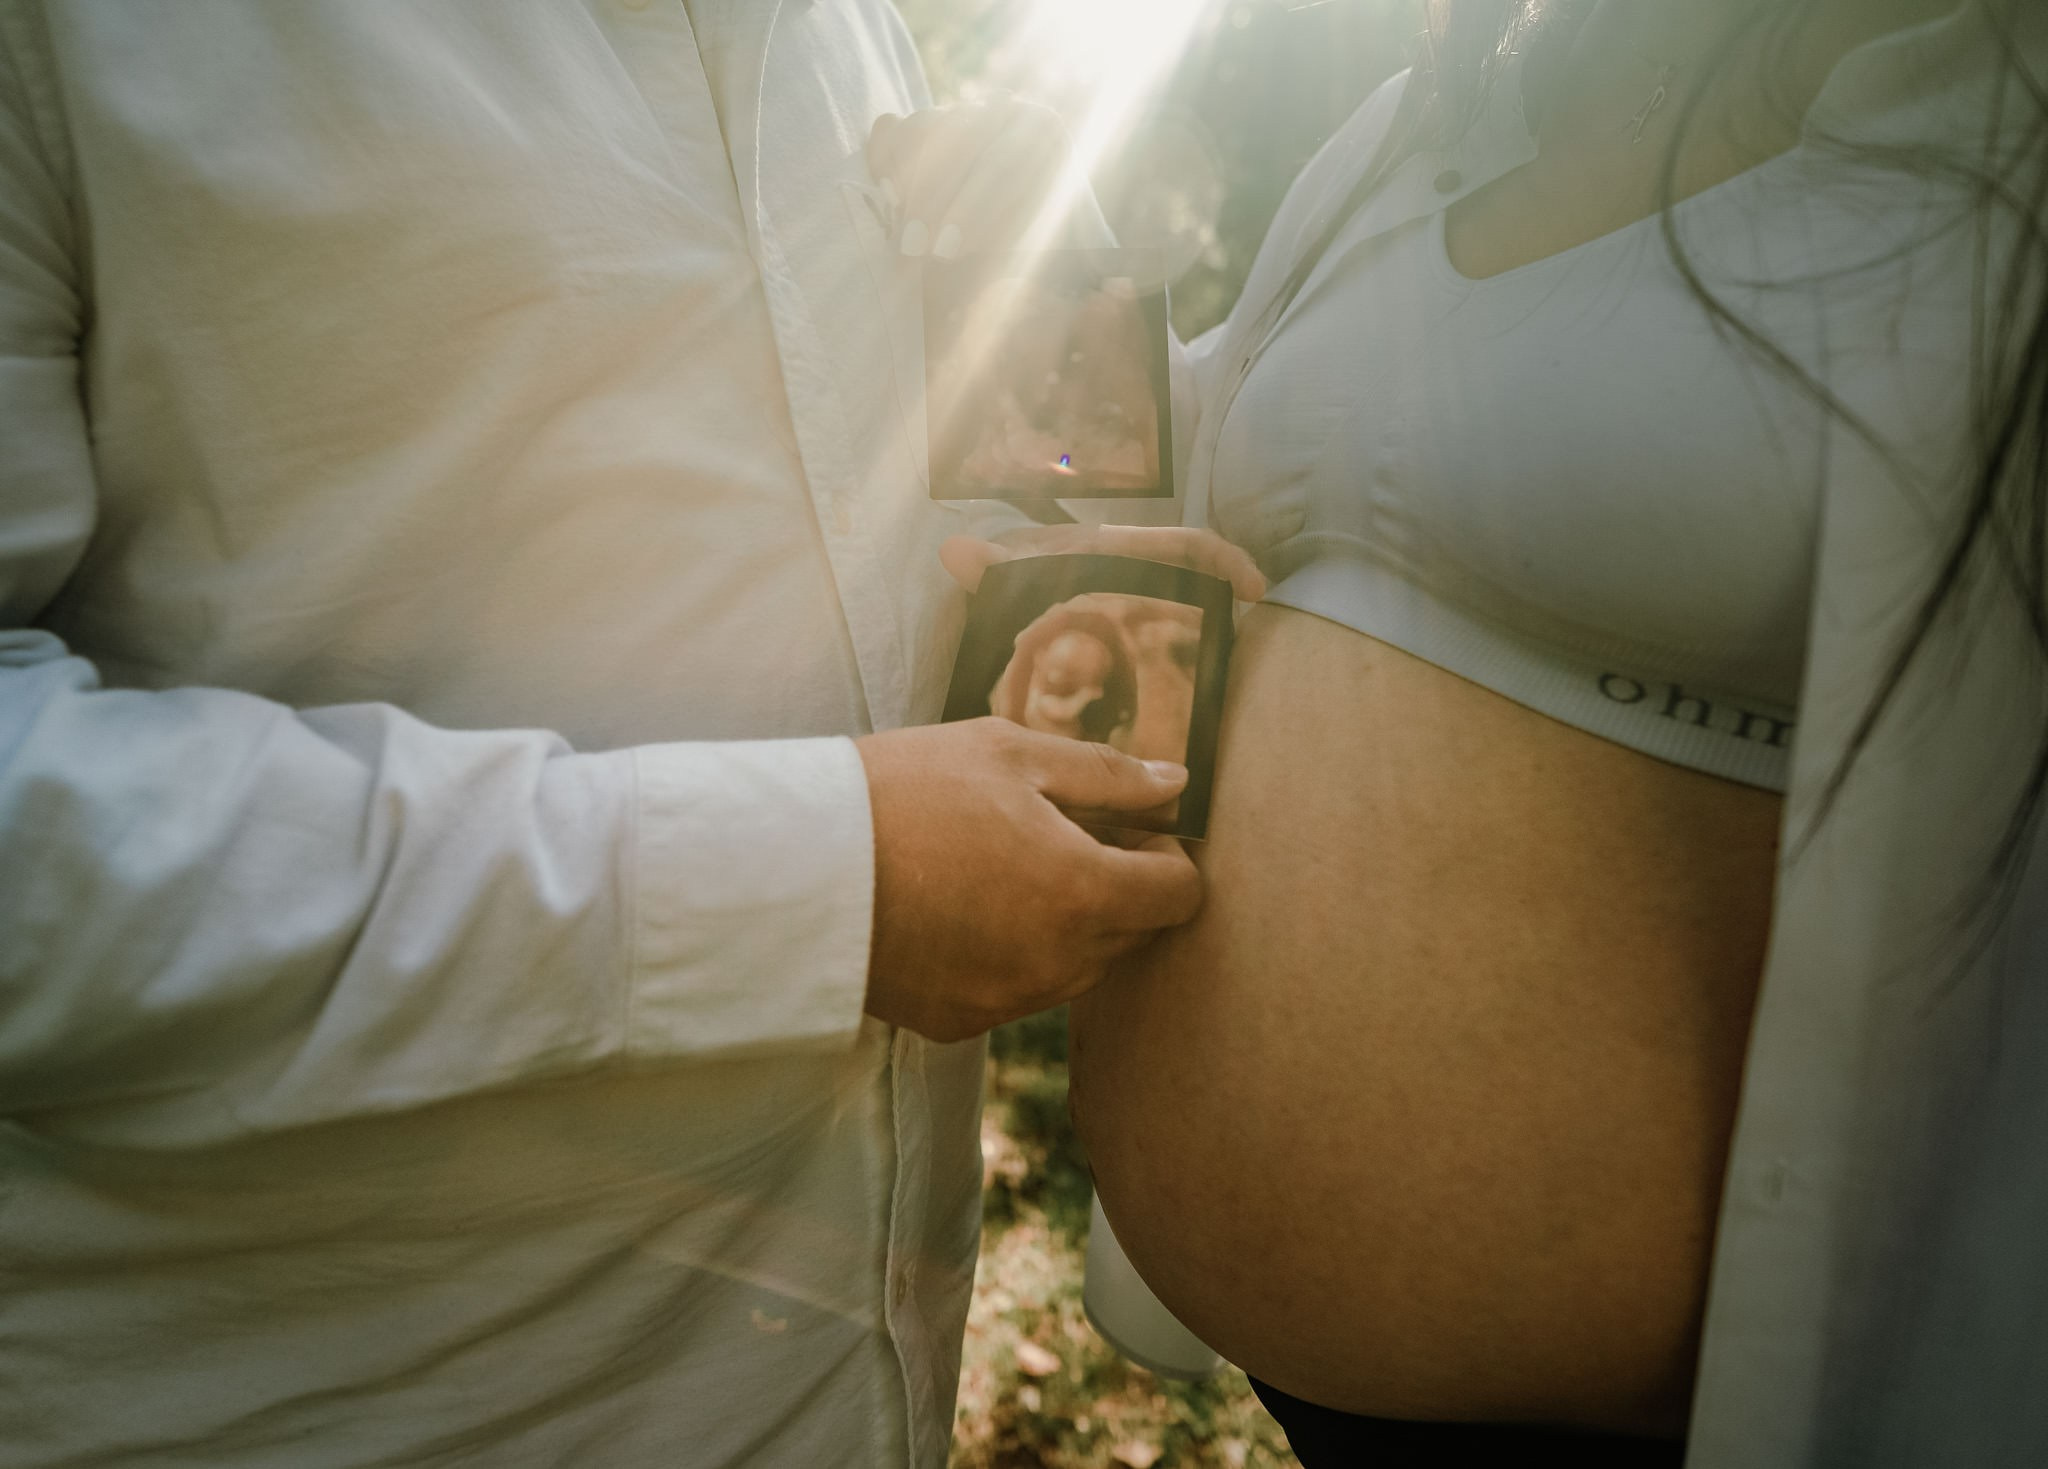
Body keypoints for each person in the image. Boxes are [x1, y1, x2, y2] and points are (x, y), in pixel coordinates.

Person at [0, 6, 1263, 1466]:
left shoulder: (848, 31)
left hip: (852, 1398)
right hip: (335, 1404)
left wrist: (1049, 298)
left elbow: (841, 559)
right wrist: (812, 891)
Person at [941, 0, 2048, 1462]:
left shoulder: (1995, 146)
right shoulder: (1444, 110)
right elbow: (1214, 456)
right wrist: (1055, 247)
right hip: (1316, 1395)